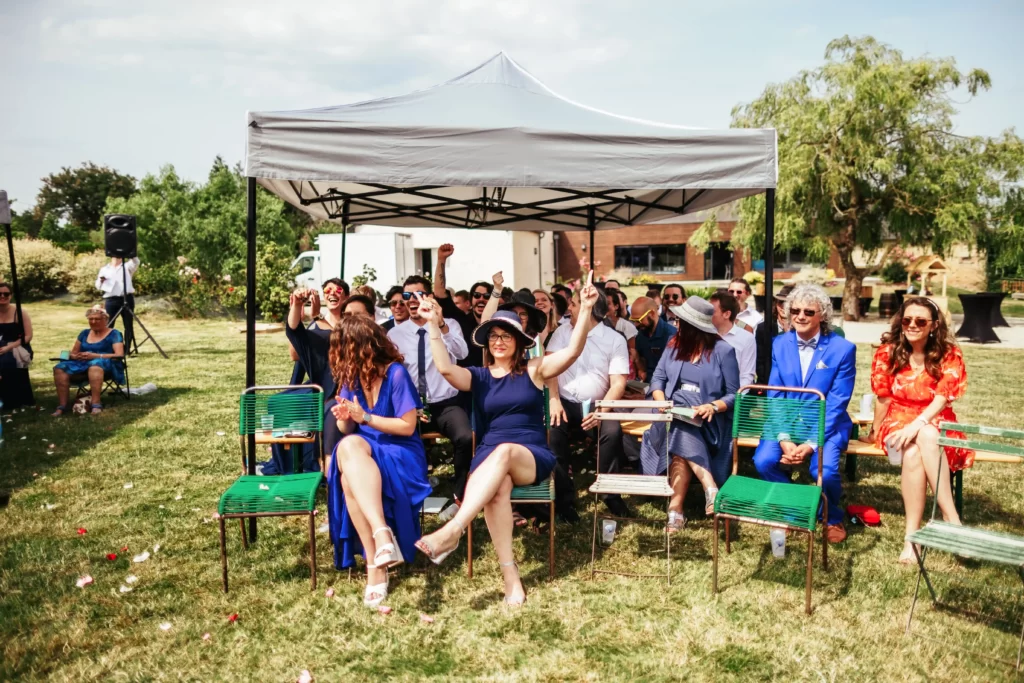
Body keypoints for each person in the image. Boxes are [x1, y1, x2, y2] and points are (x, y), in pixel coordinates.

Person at [414, 274, 601, 605]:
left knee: (502, 452)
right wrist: (432, 324)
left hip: (529, 455)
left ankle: (455, 529)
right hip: (490, 460)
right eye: (495, 336)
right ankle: (511, 578)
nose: (499, 341)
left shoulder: (534, 369)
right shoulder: (480, 376)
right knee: (497, 493)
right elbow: (445, 369)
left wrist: (585, 309)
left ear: (519, 340)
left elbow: (572, 352)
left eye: (507, 336)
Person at [324, 315, 432, 607]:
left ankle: (376, 564)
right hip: (365, 452)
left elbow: (408, 426)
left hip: (400, 452)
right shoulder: (351, 377)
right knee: (347, 447)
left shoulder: (395, 374)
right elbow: (350, 429)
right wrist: (347, 420)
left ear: (362, 346)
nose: (340, 355)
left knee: (349, 475)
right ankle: (382, 541)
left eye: (344, 348)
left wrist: (366, 418)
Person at [753, 284, 856, 543]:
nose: (800, 316)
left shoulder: (842, 349)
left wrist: (810, 444)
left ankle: (831, 517)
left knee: (827, 471)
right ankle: (794, 509)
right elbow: (775, 394)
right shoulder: (779, 343)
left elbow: (837, 402)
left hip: (825, 423)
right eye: (795, 310)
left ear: (823, 315)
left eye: (808, 312)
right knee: (763, 461)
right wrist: (784, 437)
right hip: (784, 420)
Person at [869, 297, 969, 564]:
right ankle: (952, 521)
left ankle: (913, 538)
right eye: (907, 320)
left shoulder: (949, 354)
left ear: (934, 326)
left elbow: (943, 397)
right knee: (918, 440)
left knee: (920, 444)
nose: (912, 325)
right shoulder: (887, 352)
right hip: (897, 423)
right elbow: (883, 397)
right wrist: (875, 430)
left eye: (920, 321)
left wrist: (919, 423)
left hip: (936, 422)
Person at [640, 296, 740, 528]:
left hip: (708, 419)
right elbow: (658, 378)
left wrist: (712, 406)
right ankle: (710, 488)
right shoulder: (674, 346)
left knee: (680, 437)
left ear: (693, 327)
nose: (675, 325)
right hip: (672, 413)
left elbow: (735, 394)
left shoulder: (723, 351)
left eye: (680, 321)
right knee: (680, 423)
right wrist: (661, 400)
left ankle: (676, 511)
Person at [546, 284, 630, 519]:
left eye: (572, 304)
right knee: (553, 432)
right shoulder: (562, 333)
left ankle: (610, 495)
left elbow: (618, 384)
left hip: (598, 404)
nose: (568, 309)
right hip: (563, 401)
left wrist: (602, 409)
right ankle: (564, 500)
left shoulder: (614, 339)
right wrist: (553, 400)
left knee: (612, 432)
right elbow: (549, 370)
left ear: (590, 309)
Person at [387, 276, 474, 499]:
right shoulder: (394, 334)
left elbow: (462, 353)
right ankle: (411, 490)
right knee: (395, 440)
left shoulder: (450, 325)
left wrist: (441, 323)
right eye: (407, 295)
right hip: (411, 407)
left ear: (430, 297)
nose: (412, 300)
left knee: (465, 437)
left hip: (446, 404)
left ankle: (461, 494)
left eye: (418, 294)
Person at [52, 305, 125, 416]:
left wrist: (95, 356)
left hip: (107, 364)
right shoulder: (84, 333)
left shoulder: (114, 334)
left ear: (105, 320)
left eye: (97, 319)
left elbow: (119, 355)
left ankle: (96, 404)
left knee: (95, 365)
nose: (93, 321)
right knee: (59, 368)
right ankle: (62, 406)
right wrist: (74, 356)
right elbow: (73, 352)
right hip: (83, 363)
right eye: (91, 319)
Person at [432, 243, 491, 368]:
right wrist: (441, 259)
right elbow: (440, 292)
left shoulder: (499, 323)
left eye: (486, 296)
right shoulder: (461, 320)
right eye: (477, 295)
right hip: (465, 382)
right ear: (470, 300)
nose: (481, 299)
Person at [709, 291, 756, 387]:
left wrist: (733, 399)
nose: (707, 315)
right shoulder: (704, 335)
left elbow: (746, 376)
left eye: (711, 311)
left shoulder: (746, 338)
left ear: (727, 314)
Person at [0, 282, 34, 410]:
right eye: (0, 294)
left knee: (6, 360)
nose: (2, 296)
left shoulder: (20, 312)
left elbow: (28, 336)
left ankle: (11, 400)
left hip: (17, 346)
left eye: (6, 294)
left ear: (11, 295)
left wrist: (9, 347)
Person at [96, 256, 139, 351]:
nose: (116, 258)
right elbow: (98, 286)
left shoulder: (127, 266)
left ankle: (127, 348)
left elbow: (136, 262)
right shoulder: (105, 269)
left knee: (128, 324)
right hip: (111, 299)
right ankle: (108, 347)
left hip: (126, 297)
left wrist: (131, 253)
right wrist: (101, 281)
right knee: (108, 324)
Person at [630, 296, 676, 383]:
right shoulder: (641, 335)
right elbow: (643, 362)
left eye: (639, 320)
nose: (636, 325)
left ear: (651, 313)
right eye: (633, 320)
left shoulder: (671, 336)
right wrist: (639, 364)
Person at [753, 284, 793, 385]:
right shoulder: (764, 328)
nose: (784, 307)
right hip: (769, 384)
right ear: (776, 304)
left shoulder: (803, 330)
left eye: (789, 303)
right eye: (781, 302)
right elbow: (760, 361)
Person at [605, 289, 639, 375]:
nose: (605, 306)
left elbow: (632, 352)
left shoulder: (627, 326)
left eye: (608, 303)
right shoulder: (596, 325)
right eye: (602, 304)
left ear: (616, 306)